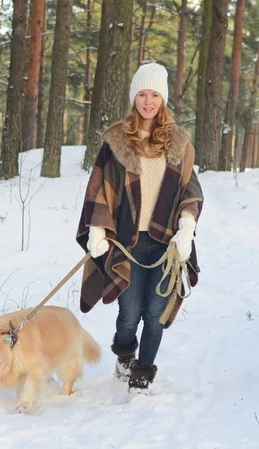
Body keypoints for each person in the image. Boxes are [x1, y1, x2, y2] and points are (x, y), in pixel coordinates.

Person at [76, 62, 204, 391]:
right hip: (127, 244)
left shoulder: (179, 144)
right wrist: (98, 229)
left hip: (165, 245)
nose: (148, 101)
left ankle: (143, 372)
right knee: (129, 313)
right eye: (143, 94)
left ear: (163, 100)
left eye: (155, 95)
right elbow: (99, 188)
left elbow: (190, 189)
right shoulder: (117, 142)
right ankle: (125, 355)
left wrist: (187, 225)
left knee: (156, 312)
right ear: (135, 97)